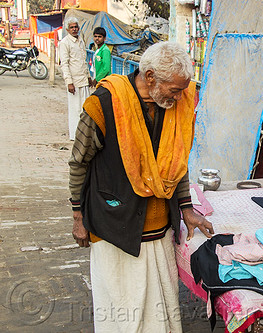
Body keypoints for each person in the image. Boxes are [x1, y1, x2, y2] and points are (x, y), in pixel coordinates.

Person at [68, 41, 215, 332]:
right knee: (123, 311)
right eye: (175, 90)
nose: (180, 97)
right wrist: (77, 217)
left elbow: (176, 164)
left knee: (159, 312)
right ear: (150, 78)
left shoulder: (174, 105)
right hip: (115, 229)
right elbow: (78, 162)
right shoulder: (104, 103)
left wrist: (187, 208)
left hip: (159, 232)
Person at [59, 17, 94, 141]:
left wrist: (89, 77)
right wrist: (69, 82)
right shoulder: (64, 43)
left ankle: (84, 134)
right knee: (75, 109)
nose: (74, 29)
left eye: (76, 27)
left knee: (85, 108)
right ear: (68, 30)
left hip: (83, 80)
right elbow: (65, 64)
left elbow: (84, 61)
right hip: (74, 82)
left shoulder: (80, 41)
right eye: (72, 27)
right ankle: (75, 135)